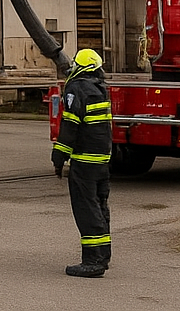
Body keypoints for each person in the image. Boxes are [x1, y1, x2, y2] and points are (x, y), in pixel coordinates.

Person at [52, 48, 113, 277]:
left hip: (84, 162)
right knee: (100, 207)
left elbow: (70, 127)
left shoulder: (77, 88)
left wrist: (58, 157)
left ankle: (93, 261)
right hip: (102, 161)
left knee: (86, 209)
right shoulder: (100, 89)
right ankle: (103, 255)